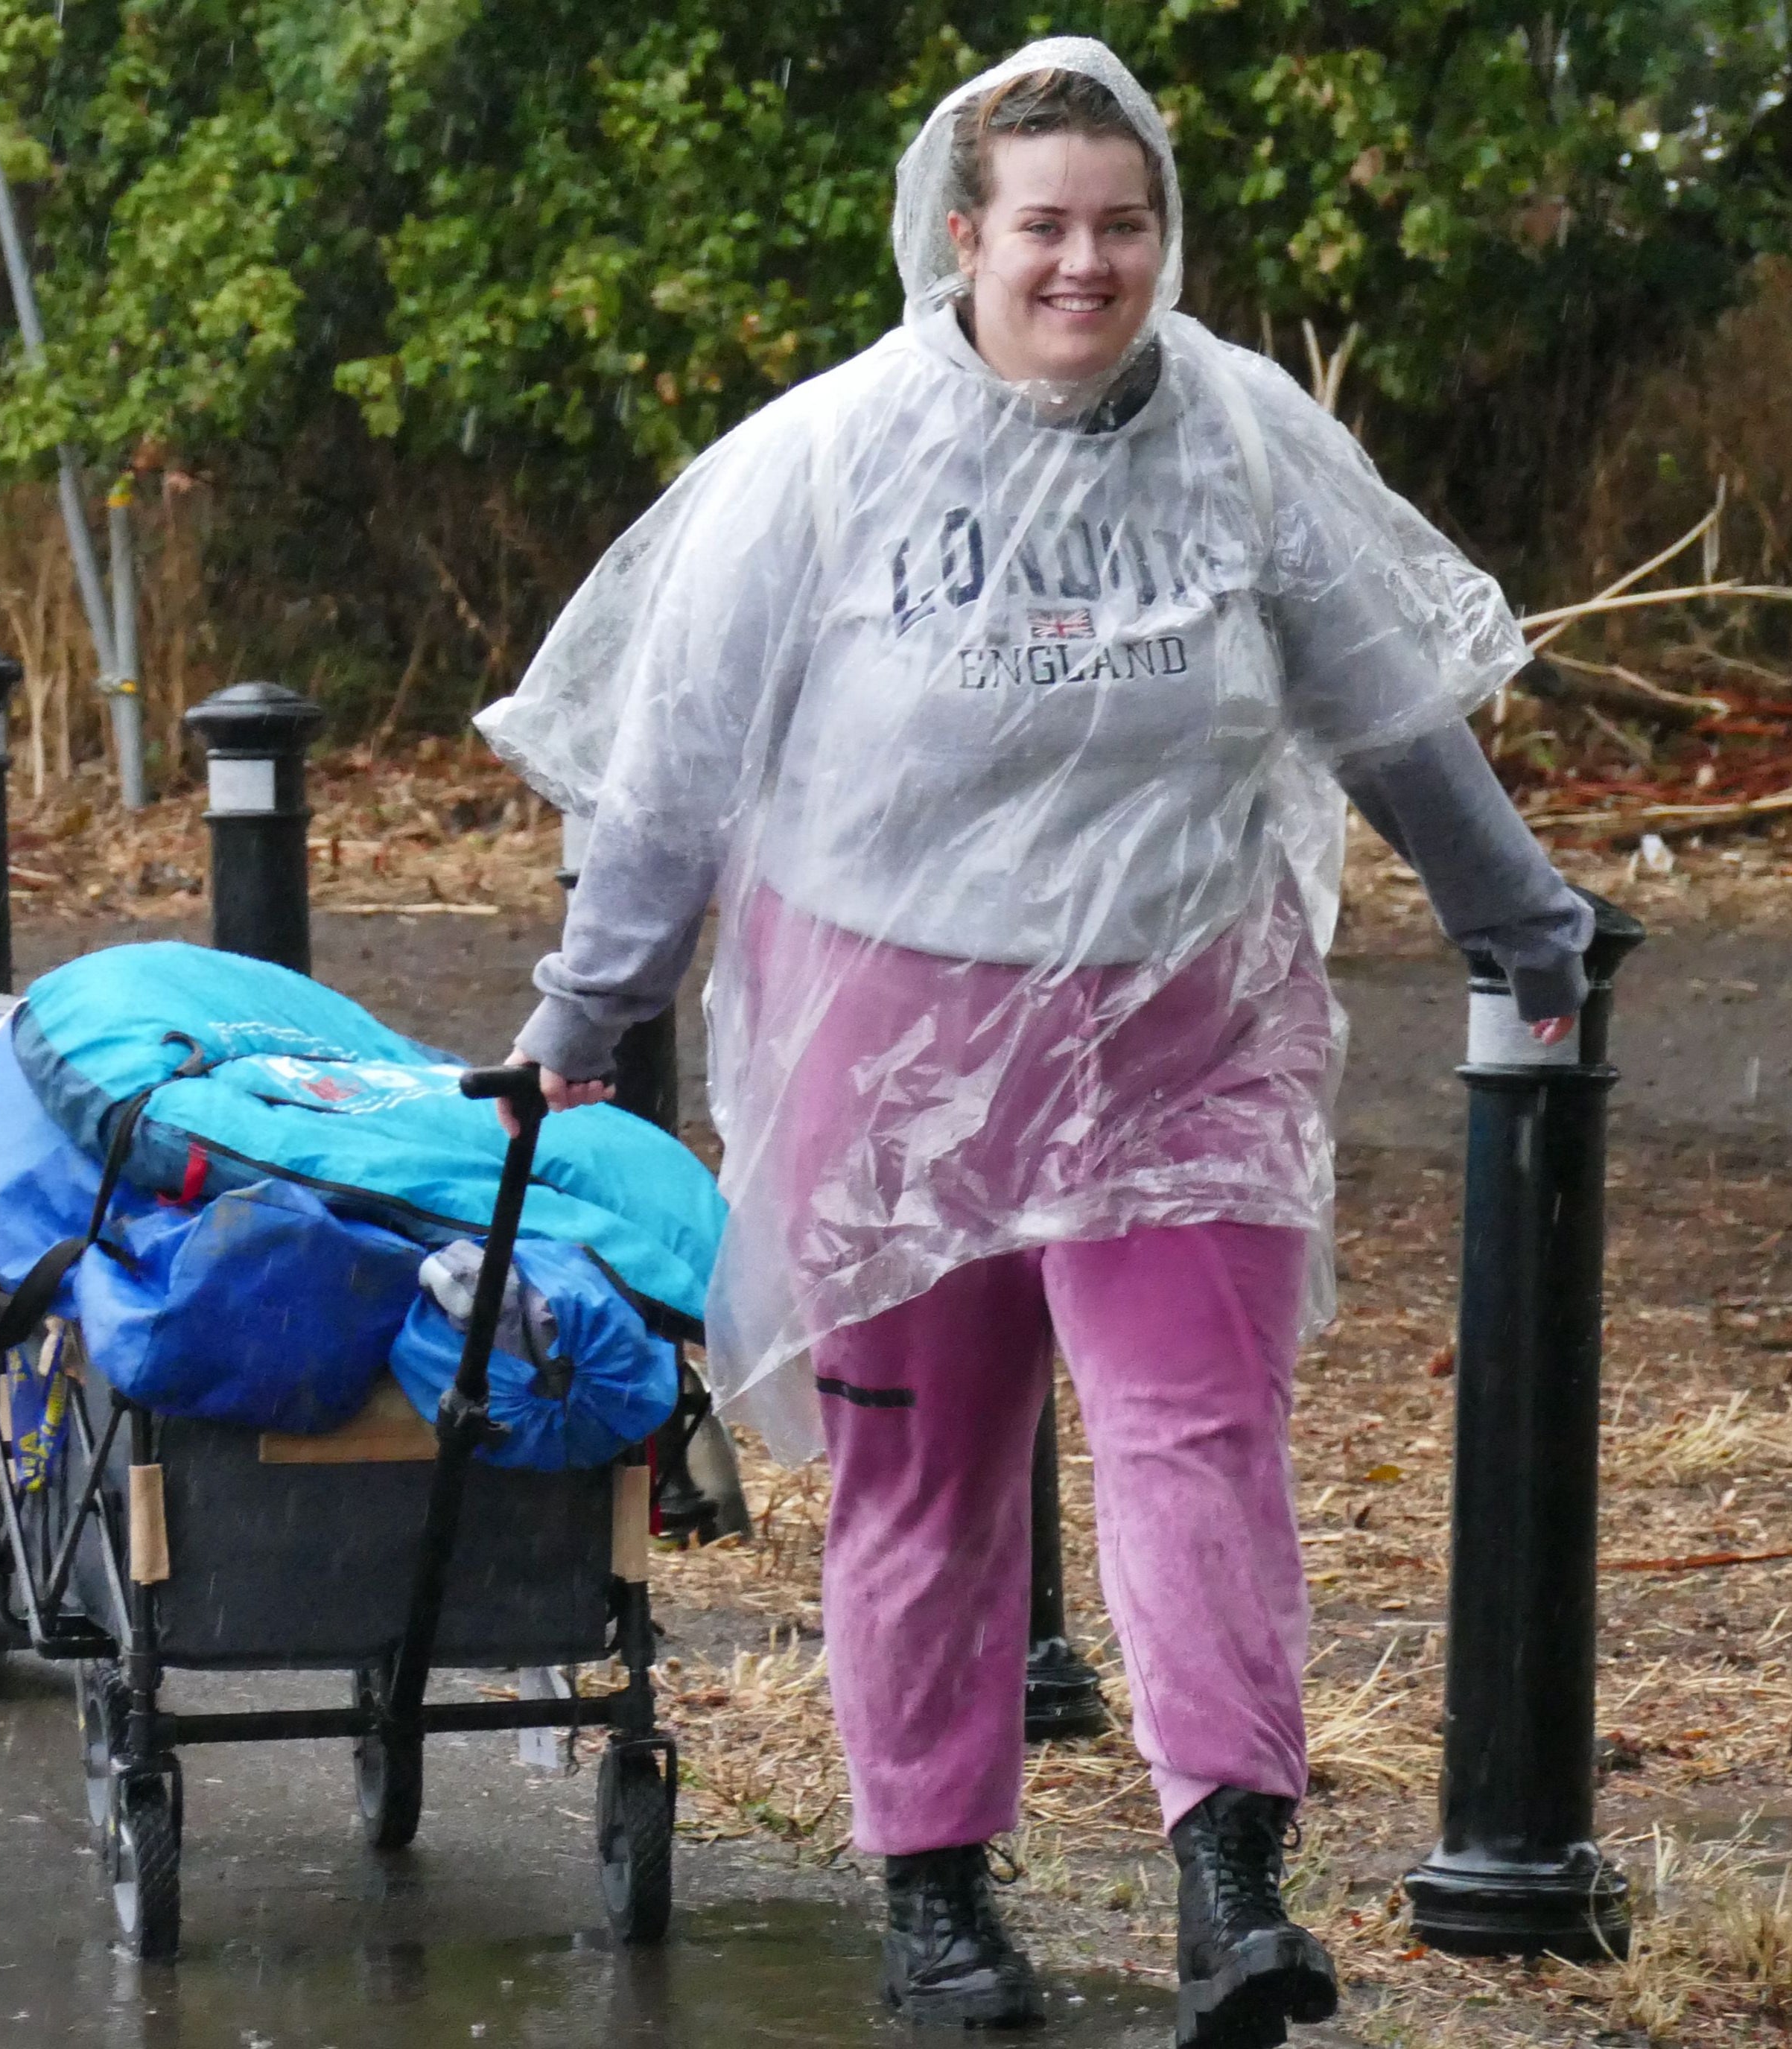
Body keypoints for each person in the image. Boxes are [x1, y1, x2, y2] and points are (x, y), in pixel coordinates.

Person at [477, 38, 1590, 2046]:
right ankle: (934, 1897)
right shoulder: (828, 462)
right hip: (892, 1037)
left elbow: (1383, 709)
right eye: (1048, 228)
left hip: (1183, 1021)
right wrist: (586, 1011)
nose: (1088, 265)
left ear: (1165, 233)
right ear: (963, 238)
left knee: (1199, 1442)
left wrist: (1521, 917)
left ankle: (1229, 1884)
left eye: (1125, 225)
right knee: (930, 1481)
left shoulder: (1241, 440)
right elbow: (671, 779)